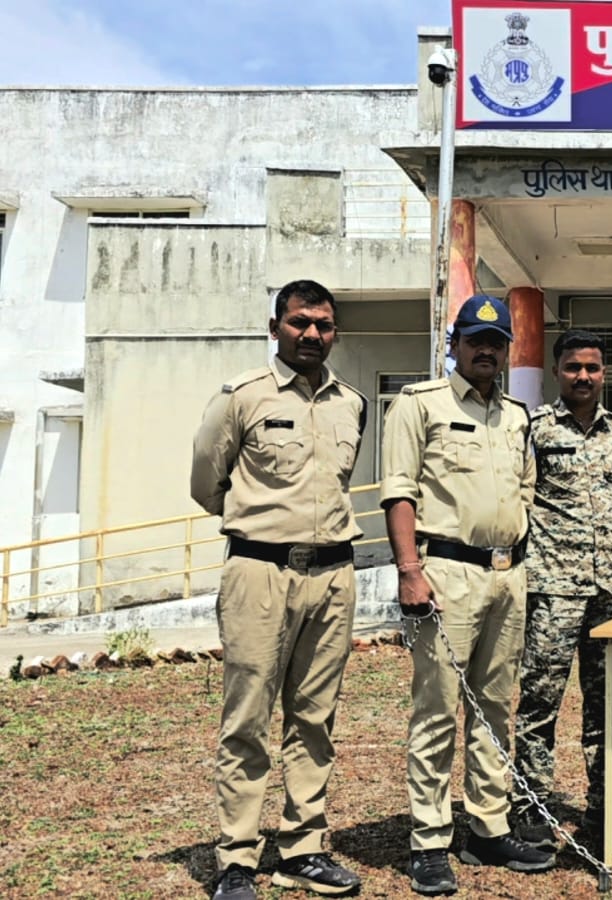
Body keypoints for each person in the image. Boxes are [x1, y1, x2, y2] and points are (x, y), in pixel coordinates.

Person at [191, 279, 366, 900]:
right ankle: (237, 858)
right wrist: (261, 524)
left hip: (332, 576)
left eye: (323, 324)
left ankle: (303, 849)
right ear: (276, 328)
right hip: (259, 574)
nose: (312, 334)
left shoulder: (351, 403)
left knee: (315, 718)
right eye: (299, 322)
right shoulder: (241, 397)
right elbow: (206, 483)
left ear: (335, 332)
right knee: (247, 718)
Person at [380, 295, 549, 895]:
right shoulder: (420, 404)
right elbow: (399, 491)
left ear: (506, 352)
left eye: (497, 343)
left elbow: (526, 489)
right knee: (437, 709)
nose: (486, 351)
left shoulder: (517, 415)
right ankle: (429, 839)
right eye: (475, 340)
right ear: (455, 345)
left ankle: (488, 826)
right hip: (446, 573)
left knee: (495, 707)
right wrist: (409, 570)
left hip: (507, 574)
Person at [512, 329, 612, 844]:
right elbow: (522, 497)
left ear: (603, 373)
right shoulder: (536, 430)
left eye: (592, 367)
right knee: (539, 701)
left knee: (607, 704)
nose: (583, 376)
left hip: (609, 589)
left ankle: (603, 809)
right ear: (556, 372)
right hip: (552, 588)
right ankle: (532, 807)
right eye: (573, 367)